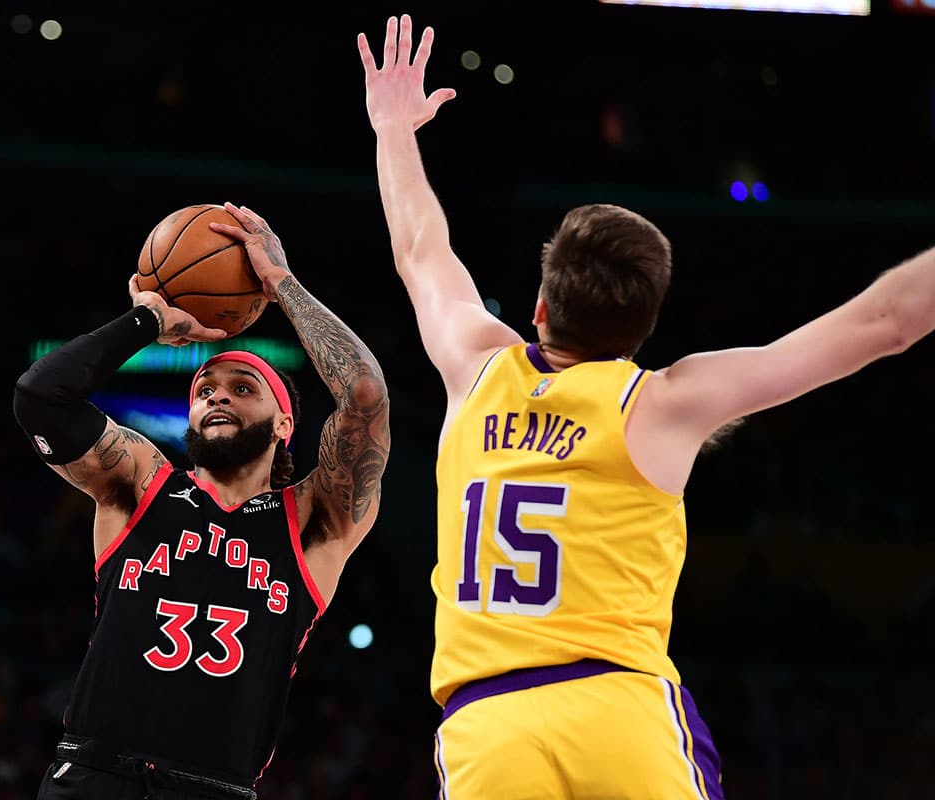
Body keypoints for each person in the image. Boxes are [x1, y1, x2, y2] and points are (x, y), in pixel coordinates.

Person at [358, 14, 935, 800]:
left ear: (537, 308)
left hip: (486, 724)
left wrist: (393, 127)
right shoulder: (661, 403)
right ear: (645, 329)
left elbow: (419, 247)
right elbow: (885, 324)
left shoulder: (473, 363)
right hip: (617, 709)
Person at [13, 202, 389, 799]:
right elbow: (40, 396)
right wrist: (148, 323)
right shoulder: (142, 483)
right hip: (92, 776)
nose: (218, 398)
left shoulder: (313, 520)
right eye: (204, 389)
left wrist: (280, 284)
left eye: (243, 389)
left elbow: (364, 392)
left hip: (210, 788)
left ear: (285, 426)